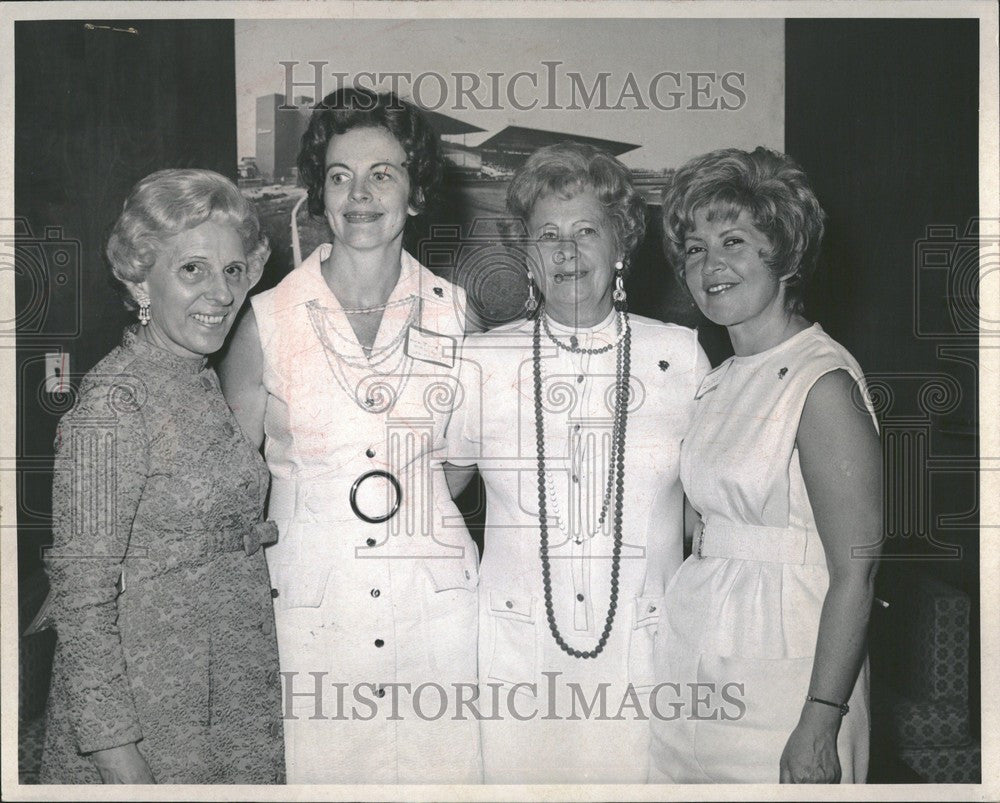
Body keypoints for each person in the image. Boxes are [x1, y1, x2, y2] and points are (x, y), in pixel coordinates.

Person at [219, 87, 481, 784]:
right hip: (311, 613)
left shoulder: (457, 316)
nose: (359, 195)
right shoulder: (266, 320)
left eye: (382, 174)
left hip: (437, 615)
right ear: (320, 193)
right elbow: (228, 494)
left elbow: (458, 470)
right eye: (340, 176)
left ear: (416, 194)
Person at [444, 142, 710, 783]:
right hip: (517, 661)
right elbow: (431, 499)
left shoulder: (680, 358)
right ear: (527, 256)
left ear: (621, 244)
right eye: (547, 235)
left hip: (644, 659)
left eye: (586, 230)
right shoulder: (481, 363)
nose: (567, 251)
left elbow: (713, 521)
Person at [39, 169, 283, 783]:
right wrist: (120, 761)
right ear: (140, 277)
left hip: (227, 692)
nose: (222, 294)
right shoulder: (112, 404)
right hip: (149, 715)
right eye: (192, 269)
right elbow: (81, 597)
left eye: (232, 271)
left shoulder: (197, 377)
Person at [649, 147, 881, 783]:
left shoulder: (822, 381)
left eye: (734, 241)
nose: (710, 265)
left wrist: (820, 720)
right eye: (694, 248)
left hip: (788, 684)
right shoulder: (717, 380)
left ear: (783, 253)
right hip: (695, 667)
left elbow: (856, 577)